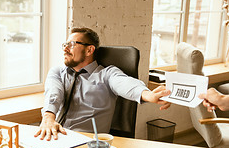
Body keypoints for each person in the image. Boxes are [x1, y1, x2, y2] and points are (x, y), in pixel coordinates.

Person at [35, 27, 171, 140]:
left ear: (89, 50)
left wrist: (148, 94)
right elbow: (54, 94)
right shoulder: (57, 72)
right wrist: (48, 118)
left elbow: (125, 84)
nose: (65, 49)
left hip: (87, 144)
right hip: (54, 136)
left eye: (71, 45)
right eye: (65, 45)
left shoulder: (106, 74)